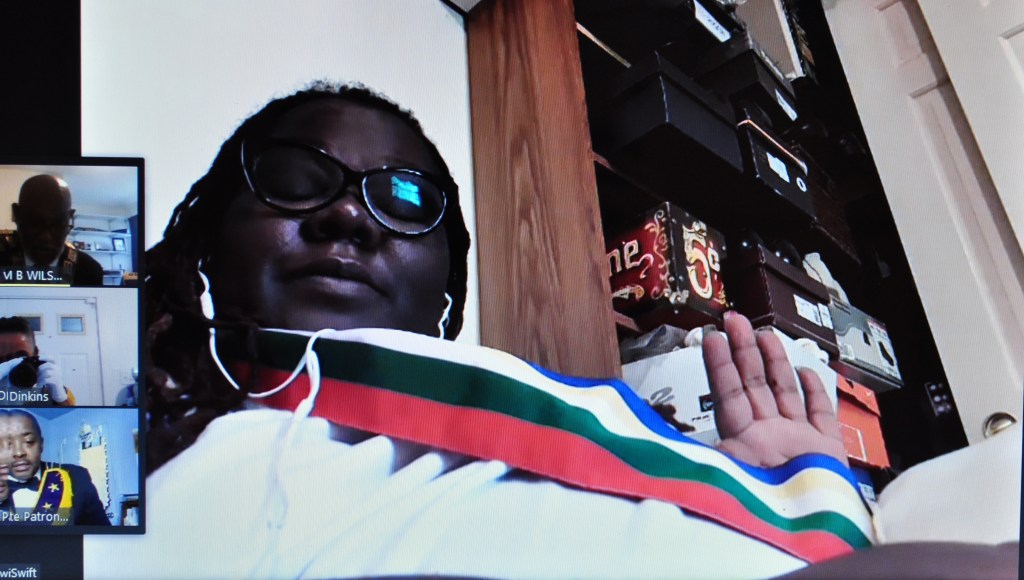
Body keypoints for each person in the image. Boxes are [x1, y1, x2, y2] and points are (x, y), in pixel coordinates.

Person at [85, 82, 1012, 579]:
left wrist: (795, 490)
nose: (350, 216)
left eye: (404, 198)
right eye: (294, 180)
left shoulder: (530, 437)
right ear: (209, 236)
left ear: (447, 289)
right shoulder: (165, 468)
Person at [0, 409, 110, 526]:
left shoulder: (76, 476)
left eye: (29, 441)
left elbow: (102, 533)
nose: (19, 452)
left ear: (41, 444)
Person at [0, 174, 104, 287]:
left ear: (70, 217)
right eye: (34, 222)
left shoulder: (89, 271)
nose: (46, 237)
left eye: (58, 224)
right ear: (16, 214)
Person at [0, 316, 74, 407]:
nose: (9, 365)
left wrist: (61, 399)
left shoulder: (50, 389)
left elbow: (75, 414)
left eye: (20, 356)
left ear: (35, 354)